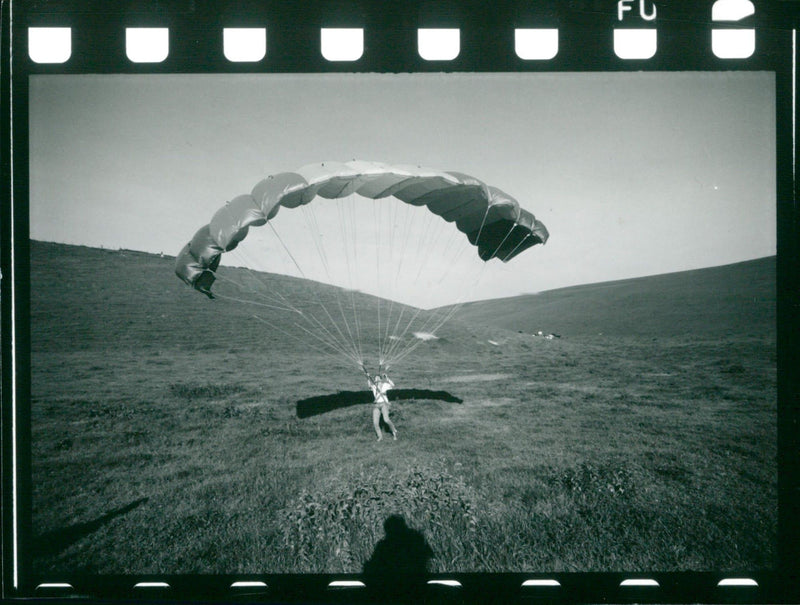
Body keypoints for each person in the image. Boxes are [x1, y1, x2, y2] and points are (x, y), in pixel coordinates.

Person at [366, 371, 397, 441]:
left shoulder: (385, 385)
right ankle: (380, 436)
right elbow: (369, 386)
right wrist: (368, 378)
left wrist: (387, 378)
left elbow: (393, 385)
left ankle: (394, 431)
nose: (376, 380)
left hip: (384, 404)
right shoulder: (374, 387)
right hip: (376, 405)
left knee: (386, 420)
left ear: (380, 379)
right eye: (375, 379)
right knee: (375, 422)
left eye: (378, 378)